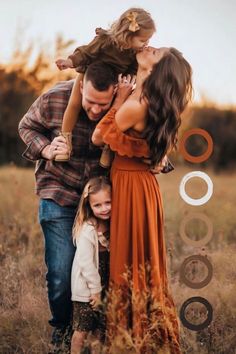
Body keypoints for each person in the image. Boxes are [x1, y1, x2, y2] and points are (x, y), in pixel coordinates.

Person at [18, 61, 124, 353]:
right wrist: (45, 148)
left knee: (106, 270)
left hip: (101, 202)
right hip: (59, 192)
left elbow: (149, 136)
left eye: (103, 104)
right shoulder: (56, 97)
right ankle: (63, 333)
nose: (95, 111)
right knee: (63, 272)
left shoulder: (125, 105)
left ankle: (100, 332)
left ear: (115, 90)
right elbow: (26, 126)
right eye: (90, 103)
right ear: (81, 87)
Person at [92, 46, 193, 353]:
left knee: (130, 259)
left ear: (158, 70)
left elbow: (99, 136)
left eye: (157, 52)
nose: (150, 47)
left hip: (132, 187)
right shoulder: (148, 99)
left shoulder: (137, 103)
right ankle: (143, 334)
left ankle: (135, 339)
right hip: (140, 186)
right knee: (142, 259)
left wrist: (120, 98)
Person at [55, 7, 156, 161]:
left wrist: (127, 80)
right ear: (128, 35)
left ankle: (108, 147)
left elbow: (133, 69)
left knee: (116, 112)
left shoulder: (134, 52)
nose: (146, 44)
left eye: (148, 40)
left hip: (113, 82)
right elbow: (85, 52)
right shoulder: (105, 40)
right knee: (74, 103)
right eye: (143, 40)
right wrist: (70, 61)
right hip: (90, 74)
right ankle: (64, 143)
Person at [70, 176, 111, 354]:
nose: (104, 209)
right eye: (98, 205)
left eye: (108, 202)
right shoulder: (88, 229)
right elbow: (86, 263)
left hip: (105, 286)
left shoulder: (112, 224)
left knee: (100, 329)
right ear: (89, 206)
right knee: (82, 330)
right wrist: (95, 290)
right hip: (87, 290)